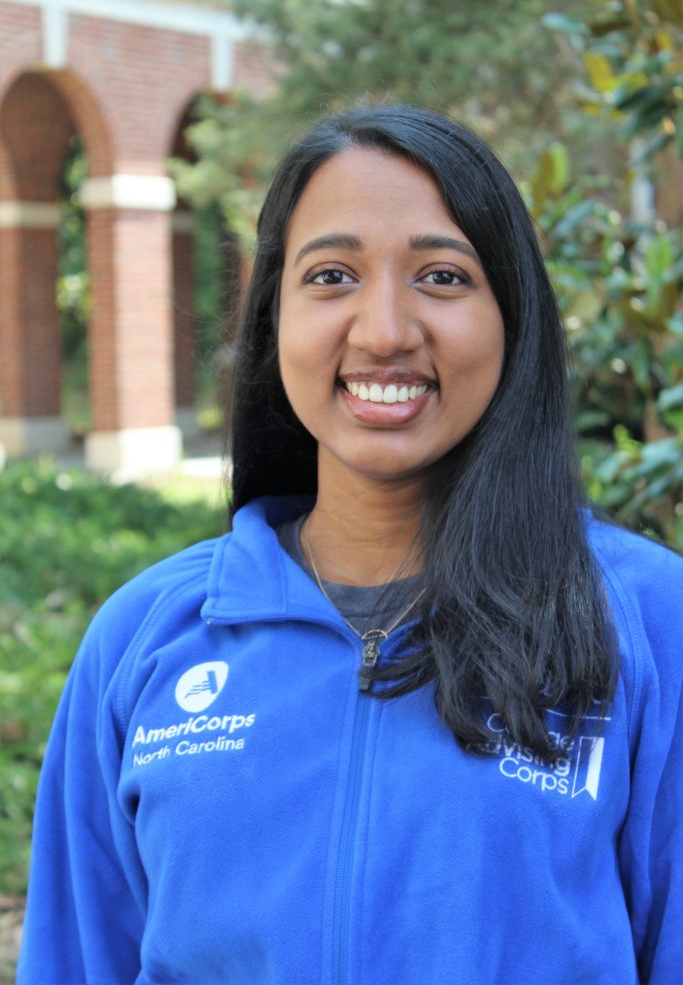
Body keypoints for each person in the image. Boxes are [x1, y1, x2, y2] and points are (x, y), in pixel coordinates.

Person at [18, 106, 683, 985]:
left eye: (441, 277)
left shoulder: (644, 620)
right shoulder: (145, 637)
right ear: (273, 318)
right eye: (330, 275)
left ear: (511, 319)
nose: (382, 330)